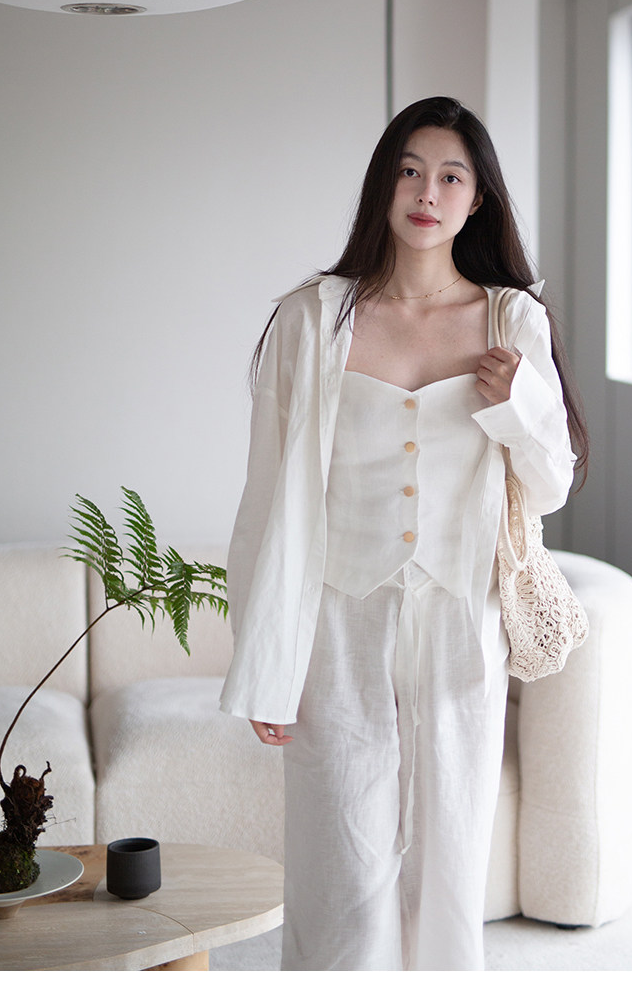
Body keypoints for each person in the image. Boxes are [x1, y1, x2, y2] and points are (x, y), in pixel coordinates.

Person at [220, 95, 588, 971]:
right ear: (384, 183)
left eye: (451, 176)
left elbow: (552, 483)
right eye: (410, 170)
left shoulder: (511, 319)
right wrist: (266, 659)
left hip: (461, 623)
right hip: (339, 622)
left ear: (477, 199)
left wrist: (517, 403)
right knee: (341, 869)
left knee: (450, 867)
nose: (428, 192)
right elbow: (267, 498)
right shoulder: (314, 319)